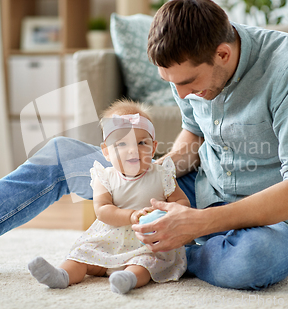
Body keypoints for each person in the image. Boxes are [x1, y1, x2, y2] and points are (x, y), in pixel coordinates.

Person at [0, 0, 288, 290]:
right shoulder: (193, 80)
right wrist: (153, 172)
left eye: (188, 83)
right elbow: (193, 136)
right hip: (200, 189)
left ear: (223, 53)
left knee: (256, 260)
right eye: (171, 85)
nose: (181, 95)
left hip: (264, 215)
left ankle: (160, 254)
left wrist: (195, 224)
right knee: (62, 155)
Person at [28, 100, 190, 294]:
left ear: (154, 148)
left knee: (146, 263)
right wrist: (130, 216)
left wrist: (166, 213)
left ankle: (128, 278)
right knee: (82, 255)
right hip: (109, 239)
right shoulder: (105, 177)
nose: (132, 150)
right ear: (106, 151)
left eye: (141, 143)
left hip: (146, 241)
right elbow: (103, 210)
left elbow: (181, 202)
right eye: (121, 143)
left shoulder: (162, 175)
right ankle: (62, 275)